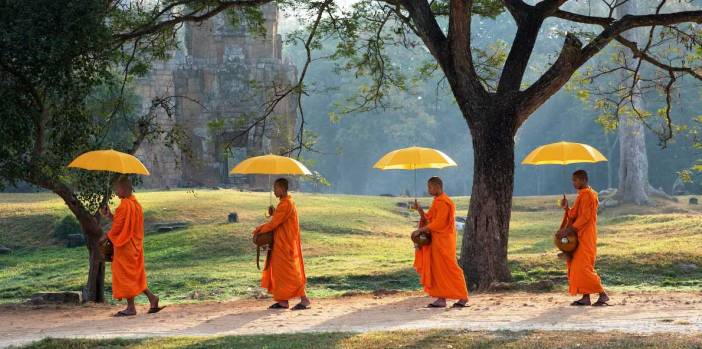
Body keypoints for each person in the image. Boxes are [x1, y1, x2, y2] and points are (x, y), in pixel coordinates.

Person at [99, 175, 162, 316]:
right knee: (135, 275)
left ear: (124, 188)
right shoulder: (135, 204)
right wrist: (109, 215)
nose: (115, 192)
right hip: (135, 245)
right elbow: (125, 223)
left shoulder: (125, 205)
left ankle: (131, 307)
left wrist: (104, 237)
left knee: (125, 275)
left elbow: (118, 227)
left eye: (117, 188)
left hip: (125, 246)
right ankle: (153, 298)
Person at [253, 178, 310, 310]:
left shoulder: (286, 204)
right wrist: (274, 213)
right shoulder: (284, 203)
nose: (274, 191)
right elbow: (279, 220)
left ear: (282, 188)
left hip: (285, 244)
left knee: (290, 271)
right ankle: (283, 301)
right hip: (281, 243)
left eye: (276, 188)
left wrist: (259, 229)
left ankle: (305, 299)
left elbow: (274, 224)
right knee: (280, 272)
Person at [412, 176, 469, 308]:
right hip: (436, 242)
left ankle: (463, 297)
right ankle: (441, 299)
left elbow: (438, 223)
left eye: (430, 187)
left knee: (451, 267)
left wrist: (422, 229)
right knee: (437, 269)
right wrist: (419, 209)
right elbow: (428, 218)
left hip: (444, 242)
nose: (429, 190)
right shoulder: (437, 201)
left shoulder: (444, 202)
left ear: (437, 187)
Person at [559, 170, 610, 306]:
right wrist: (566, 208)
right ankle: (585, 297)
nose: (573, 183)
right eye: (573, 180)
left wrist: (571, 228)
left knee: (583, 267)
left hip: (586, 235)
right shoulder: (581, 195)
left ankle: (602, 294)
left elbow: (585, 217)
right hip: (578, 236)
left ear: (583, 180)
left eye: (575, 180)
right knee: (577, 266)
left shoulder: (588, 195)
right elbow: (574, 214)